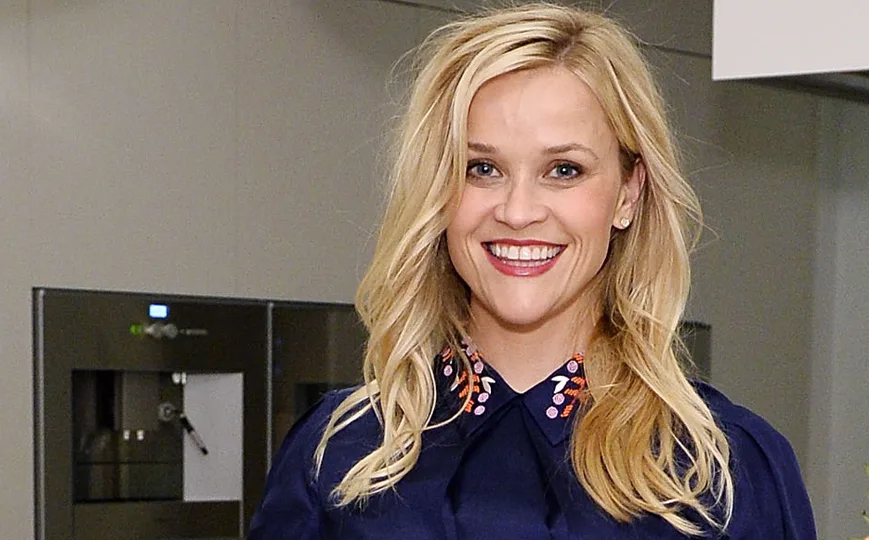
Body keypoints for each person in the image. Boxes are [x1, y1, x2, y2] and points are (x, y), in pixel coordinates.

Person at [248, 3, 816, 539]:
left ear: (628, 193)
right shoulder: (340, 454)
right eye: (481, 168)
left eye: (564, 170)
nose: (518, 212)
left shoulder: (722, 470)